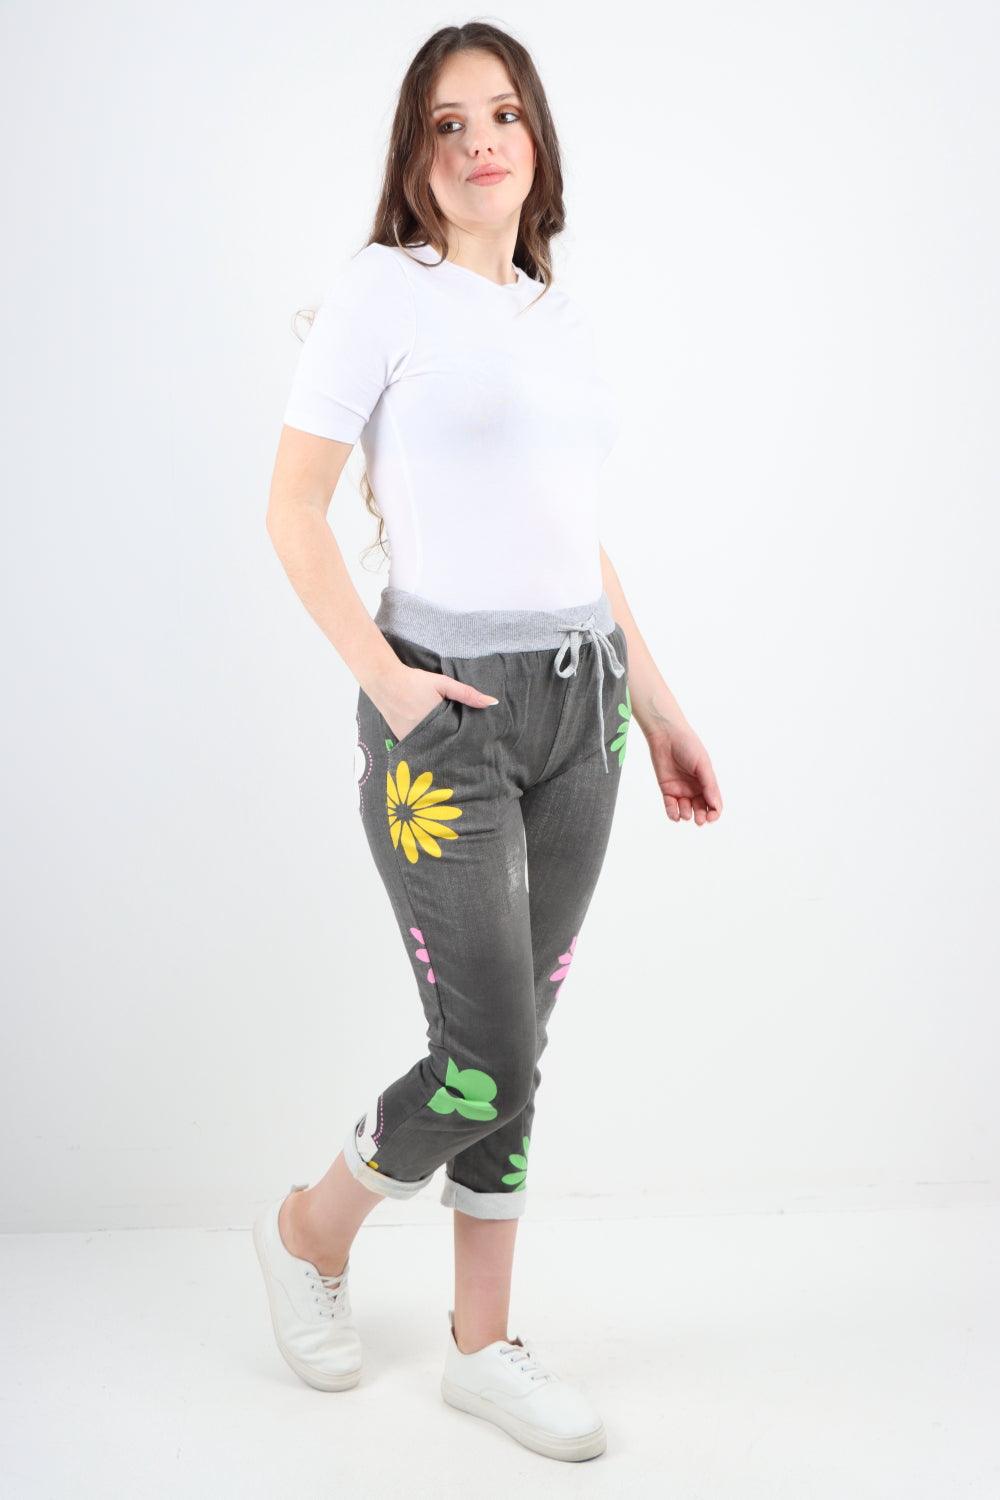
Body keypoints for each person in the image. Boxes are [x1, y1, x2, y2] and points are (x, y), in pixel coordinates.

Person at [255, 20, 723, 1464]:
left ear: (538, 142)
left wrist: (658, 705)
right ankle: (309, 1228)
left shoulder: (553, 317)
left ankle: (480, 1348)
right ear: (416, 155)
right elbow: (291, 510)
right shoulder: (381, 294)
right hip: (444, 714)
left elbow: (577, 541)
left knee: (525, 1041)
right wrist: (392, 686)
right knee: (486, 1057)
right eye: (448, 122)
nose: (479, 143)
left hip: (584, 708)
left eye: (503, 115)